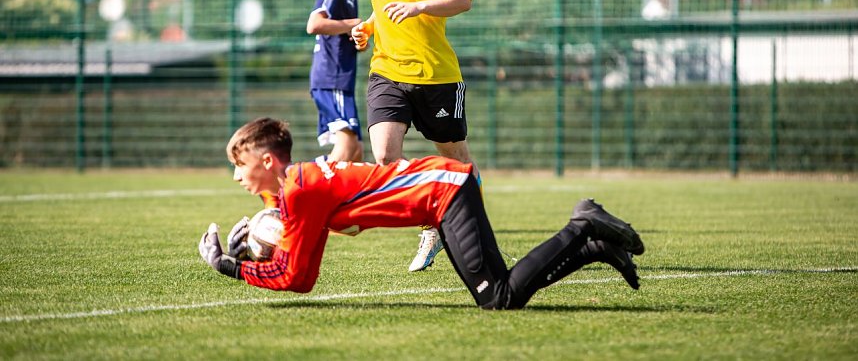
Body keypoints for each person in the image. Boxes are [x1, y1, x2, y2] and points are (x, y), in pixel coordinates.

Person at [198, 117, 645, 310]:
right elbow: (291, 241)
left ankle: (582, 222)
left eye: (239, 165)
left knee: (499, 296)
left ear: (268, 161)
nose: (236, 176)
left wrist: (232, 267)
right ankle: (594, 246)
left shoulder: (302, 189)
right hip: (444, 190)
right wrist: (260, 250)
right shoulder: (295, 186)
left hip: (443, 193)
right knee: (499, 290)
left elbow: (298, 277)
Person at [350, 0, 476, 271]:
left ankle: (469, 229)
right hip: (386, 71)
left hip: (436, 76)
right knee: (385, 157)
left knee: (456, 160)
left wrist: (420, 7)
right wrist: (367, 27)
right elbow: (383, 6)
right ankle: (431, 222)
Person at [306, 0, 375, 163]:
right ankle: (301, 187)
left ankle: (347, 201)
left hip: (340, 79)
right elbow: (314, 24)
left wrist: (358, 36)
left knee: (355, 151)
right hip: (330, 77)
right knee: (346, 145)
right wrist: (352, 23)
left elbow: (341, 30)